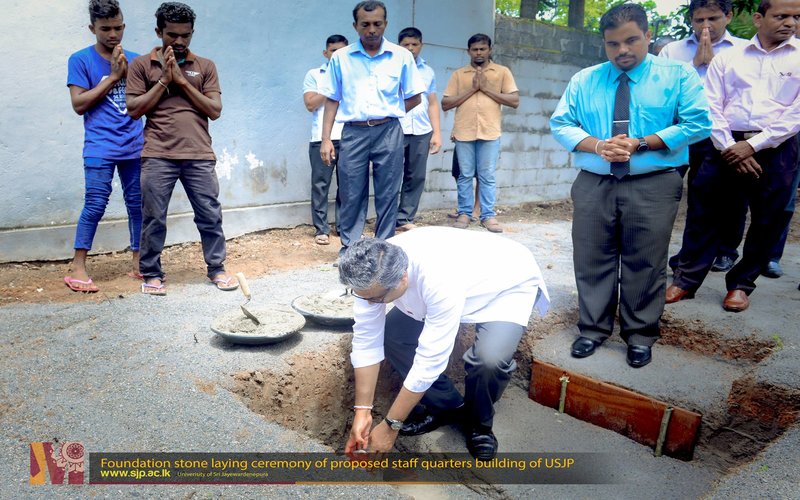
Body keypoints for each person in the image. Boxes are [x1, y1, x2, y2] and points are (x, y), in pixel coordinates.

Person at [550, 3, 710, 367]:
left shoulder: (678, 75)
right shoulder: (585, 80)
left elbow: (698, 123)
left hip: (652, 182)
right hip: (595, 181)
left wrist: (642, 142)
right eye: (612, 44)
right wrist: (598, 145)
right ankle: (592, 330)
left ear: (648, 36)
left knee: (645, 261)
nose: (622, 51)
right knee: (592, 257)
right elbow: (561, 123)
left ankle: (639, 335)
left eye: (631, 41)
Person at [338, 227, 549, 461]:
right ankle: (448, 407)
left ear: (403, 278)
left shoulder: (438, 278)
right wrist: (362, 412)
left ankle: (479, 423)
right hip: (458, 278)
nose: (370, 304)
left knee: (489, 360)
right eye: (363, 297)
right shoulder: (373, 268)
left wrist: (390, 426)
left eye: (376, 299)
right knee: (395, 336)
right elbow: (367, 340)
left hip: (505, 283)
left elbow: (430, 360)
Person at [666, 0, 800, 313]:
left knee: (768, 218)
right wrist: (729, 147)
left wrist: (754, 146)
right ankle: (686, 280)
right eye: (781, 16)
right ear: (758, 18)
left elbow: (796, 113)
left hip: (777, 149)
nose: (790, 23)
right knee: (704, 212)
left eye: (796, 17)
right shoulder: (729, 57)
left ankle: (741, 285)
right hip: (724, 146)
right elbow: (711, 104)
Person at [126, 2, 237, 296]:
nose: (178, 42)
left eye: (185, 35)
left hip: (198, 153)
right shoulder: (140, 65)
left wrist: (183, 84)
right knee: (153, 216)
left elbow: (215, 110)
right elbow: (134, 109)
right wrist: (164, 80)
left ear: (192, 33)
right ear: (159, 31)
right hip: (158, 153)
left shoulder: (206, 66)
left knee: (209, 214)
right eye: (172, 35)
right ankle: (151, 273)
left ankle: (217, 268)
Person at [319, 1, 424, 255]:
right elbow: (332, 99)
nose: (372, 30)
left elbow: (414, 96)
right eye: (365, 24)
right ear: (355, 26)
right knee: (351, 190)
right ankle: (351, 247)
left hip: (389, 131)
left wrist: (391, 112)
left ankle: (385, 246)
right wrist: (326, 139)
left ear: (385, 24)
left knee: (388, 190)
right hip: (353, 132)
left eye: (377, 24)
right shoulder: (342, 58)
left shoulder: (401, 56)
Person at [660, 0, 749, 274]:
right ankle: (675, 254)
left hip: (720, 133)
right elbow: (659, 91)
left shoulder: (745, 51)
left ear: (729, 16)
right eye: (699, 20)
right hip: (679, 132)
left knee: (722, 198)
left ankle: (725, 251)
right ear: (691, 19)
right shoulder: (672, 51)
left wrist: (714, 66)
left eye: (713, 18)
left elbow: (747, 96)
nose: (706, 26)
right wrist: (694, 64)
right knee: (663, 192)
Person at [64, 0, 143, 293]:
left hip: (135, 145)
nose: (113, 34)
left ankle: (138, 262)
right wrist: (112, 77)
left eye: (118, 27)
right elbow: (79, 104)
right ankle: (78, 267)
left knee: (138, 203)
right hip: (100, 145)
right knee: (96, 203)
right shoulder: (80, 60)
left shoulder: (136, 60)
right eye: (106, 28)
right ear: (92, 28)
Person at [442, 34, 519, 234]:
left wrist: (485, 88)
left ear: (489, 50)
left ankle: (488, 215)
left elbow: (514, 101)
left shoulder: (502, 72)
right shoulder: (459, 74)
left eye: (482, 49)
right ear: (468, 51)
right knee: (465, 175)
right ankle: (465, 213)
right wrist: (472, 89)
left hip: (490, 131)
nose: (478, 53)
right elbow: (446, 103)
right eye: (474, 49)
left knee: (487, 176)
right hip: (463, 131)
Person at [303, 34, 348, 246]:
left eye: (342, 51)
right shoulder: (315, 74)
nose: (337, 55)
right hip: (321, 139)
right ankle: (321, 228)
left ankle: (343, 226)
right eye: (333, 51)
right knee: (320, 184)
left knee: (348, 185)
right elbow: (311, 104)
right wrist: (332, 85)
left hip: (350, 138)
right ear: (325, 53)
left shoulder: (354, 74)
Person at [395, 27, 441, 232]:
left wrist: (437, 133)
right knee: (391, 174)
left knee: (416, 175)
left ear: (421, 45)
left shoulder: (428, 72)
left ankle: (404, 218)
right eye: (406, 45)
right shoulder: (392, 67)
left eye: (415, 44)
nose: (411, 48)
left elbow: (432, 103)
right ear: (399, 46)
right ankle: (387, 217)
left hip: (422, 130)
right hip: (396, 127)